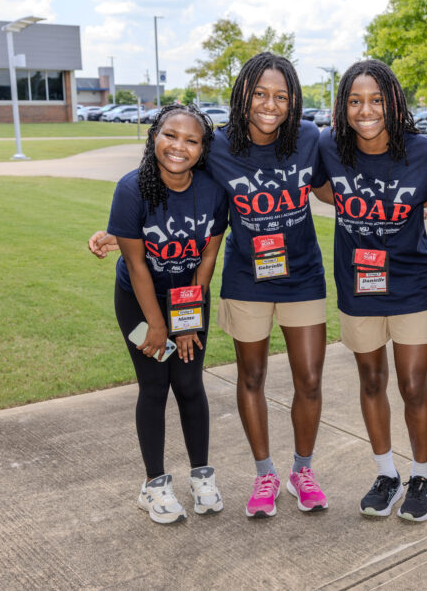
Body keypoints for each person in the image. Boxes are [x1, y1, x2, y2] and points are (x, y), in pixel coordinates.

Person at [91, 53, 330, 519]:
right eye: (260, 93)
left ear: (294, 100)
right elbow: (159, 194)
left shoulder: (308, 138)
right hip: (246, 280)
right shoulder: (217, 145)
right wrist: (117, 236)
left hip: (300, 275)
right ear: (243, 93)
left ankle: (301, 471)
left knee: (308, 378)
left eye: (281, 96)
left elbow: (333, 181)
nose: (270, 104)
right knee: (244, 378)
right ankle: (263, 475)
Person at [315, 60, 427, 521]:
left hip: (410, 284)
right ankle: (387, 474)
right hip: (357, 285)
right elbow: (313, 187)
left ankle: (422, 476)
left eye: (375, 100)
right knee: (371, 380)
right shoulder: (328, 146)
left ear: (393, 102)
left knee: (412, 385)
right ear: (343, 106)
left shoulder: (426, 152)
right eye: (354, 101)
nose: (365, 110)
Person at [105, 104, 228, 525]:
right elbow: (137, 266)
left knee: (190, 384)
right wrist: (158, 325)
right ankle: (154, 486)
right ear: (153, 135)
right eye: (170, 135)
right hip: (140, 301)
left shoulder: (213, 190)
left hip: (189, 297)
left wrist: (187, 320)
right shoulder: (130, 189)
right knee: (155, 387)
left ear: (203, 148)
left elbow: (208, 256)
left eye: (191, 140)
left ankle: (202, 478)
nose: (179, 146)